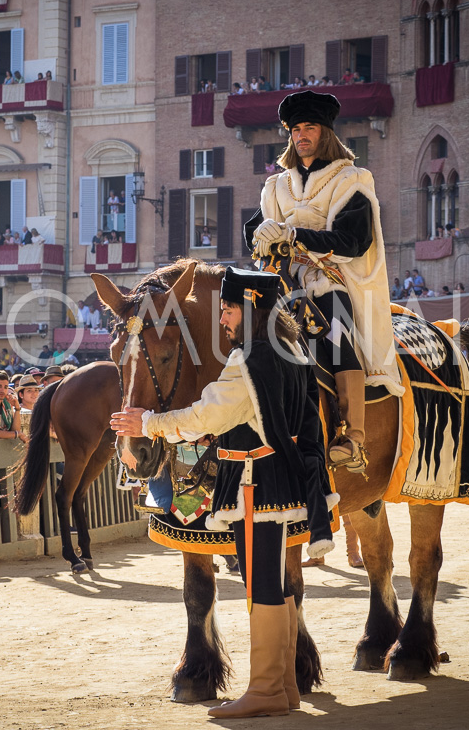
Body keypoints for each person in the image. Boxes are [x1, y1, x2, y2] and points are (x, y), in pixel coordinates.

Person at [110, 267, 335, 719]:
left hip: (256, 486)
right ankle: (285, 685)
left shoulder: (248, 361)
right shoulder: (292, 350)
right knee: (276, 586)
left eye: (229, 309)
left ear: (251, 309)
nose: (222, 318)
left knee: (262, 586)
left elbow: (206, 418)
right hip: (286, 484)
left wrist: (148, 424)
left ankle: (267, 689)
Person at [247, 90, 402, 474]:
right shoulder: (276, 186)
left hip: (329, 278)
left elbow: (354, 240)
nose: (301, 135)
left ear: (325, 132)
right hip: (279, 278)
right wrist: (260, 233)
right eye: (295, 129)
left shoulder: (351, 179)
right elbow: (254, 231)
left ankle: (353, 437)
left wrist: (293, 235)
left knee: (334, 336)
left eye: (309, 128)